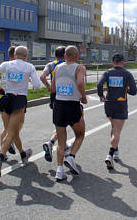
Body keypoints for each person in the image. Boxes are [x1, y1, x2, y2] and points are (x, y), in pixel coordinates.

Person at [0, 46, 42, 177]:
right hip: (19, 100)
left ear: (15, 54)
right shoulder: (29, 67)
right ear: (26, 55)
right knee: (12, 131)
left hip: (6, 98)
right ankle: (0, 157)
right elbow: (37, 85)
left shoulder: (7, 64)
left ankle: (23, 154)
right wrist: (28, 81)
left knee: (11, 130)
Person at [51, 46, 87, 181]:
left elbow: (53, 87)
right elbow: (79, 83)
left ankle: (59, 171)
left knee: (61, 142)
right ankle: (71, 157)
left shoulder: (57, 68)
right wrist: (83, 97)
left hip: (59, 105)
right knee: (80, 134)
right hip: (72, 105)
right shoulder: (79, 68)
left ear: (65, 56)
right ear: (76, 55)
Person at [97, 53, 137, 170]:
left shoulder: (107, 72)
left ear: (112, 62)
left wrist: (101, 96)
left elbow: (99, 85)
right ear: (123, 62)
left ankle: (116, 151)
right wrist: (125, 89)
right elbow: (134, 91)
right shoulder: (127, 74)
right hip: (121, 104)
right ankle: (109, 154)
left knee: (114, 128)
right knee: (117, 132)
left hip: (109, 103)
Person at [39, 46, 71, 162]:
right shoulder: (69, 64)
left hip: (54, 96)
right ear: (65, 54)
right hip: (67, 95)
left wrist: (48, 86)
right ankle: (51, 142)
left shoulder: (51, 65)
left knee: (59, 122)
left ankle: (64, 145)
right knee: (64, 123)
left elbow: (42, 77)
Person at [0, 46, 17, 159]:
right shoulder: (17, 66)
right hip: (14, 98)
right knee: (12, 126)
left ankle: (2, 150)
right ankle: (7, 146)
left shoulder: (3, 66)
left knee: (6, 126)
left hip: (2, 97)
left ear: (8, 55)